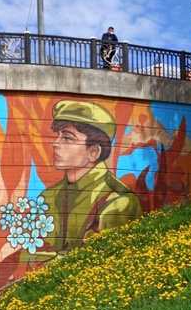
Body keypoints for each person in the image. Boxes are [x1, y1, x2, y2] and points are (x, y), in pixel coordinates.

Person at [31, 100, 143, 262]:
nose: (55, 144)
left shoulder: (117, 202)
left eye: (67, 138)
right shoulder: (49, 197)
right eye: (58, 136)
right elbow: (35, 254)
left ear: (93, 152)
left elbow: (102, 264)